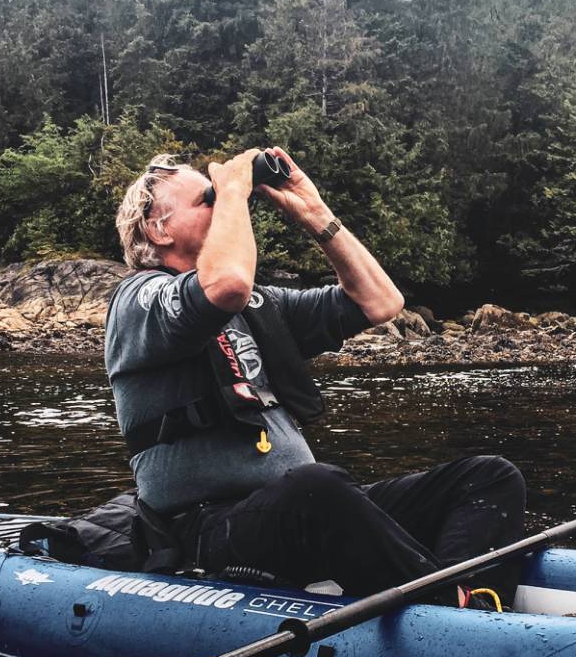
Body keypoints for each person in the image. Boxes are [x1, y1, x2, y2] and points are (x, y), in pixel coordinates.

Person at [106, 147, 526, 607]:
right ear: (158, 229)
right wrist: (233, 189)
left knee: (489, 477)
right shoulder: (139, 299)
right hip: (207, 529)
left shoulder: (259, 306)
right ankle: (447, 609)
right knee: (318, 487)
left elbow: (381, 302)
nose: (223, 199)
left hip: (295, 513)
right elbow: (225, 284)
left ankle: (472, 606)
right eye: (206, 198)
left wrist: (314, 212)